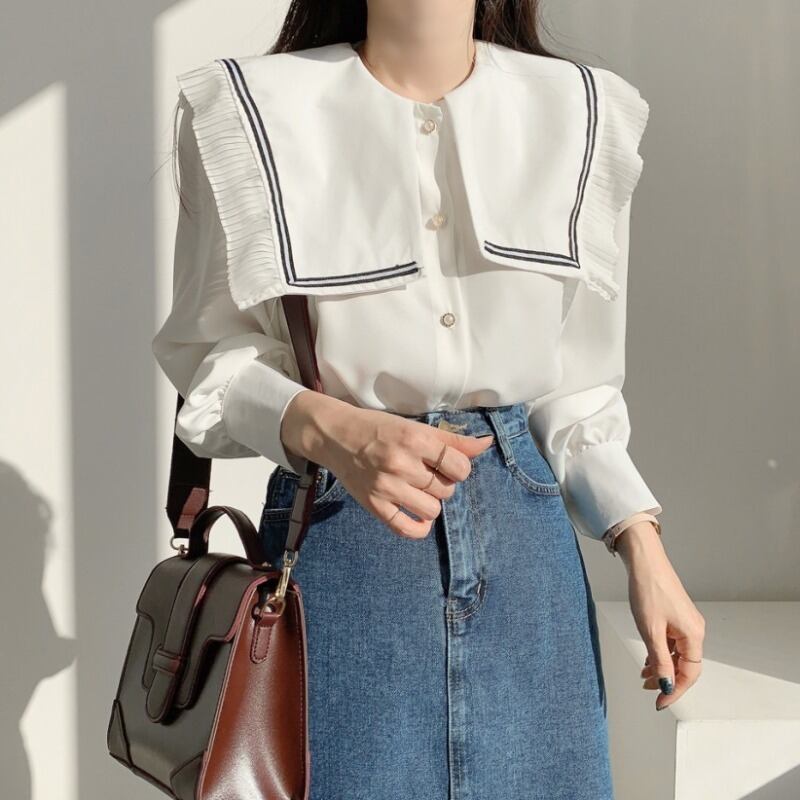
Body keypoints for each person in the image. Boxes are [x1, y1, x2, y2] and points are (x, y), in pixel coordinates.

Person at [152, 2, 706, 797]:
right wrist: (335, 430)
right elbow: (206, 360)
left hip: (529, 556)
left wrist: (642, 546)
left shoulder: (580, 111)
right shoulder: (252, 111)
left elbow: (577, 386)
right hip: (343, 540)